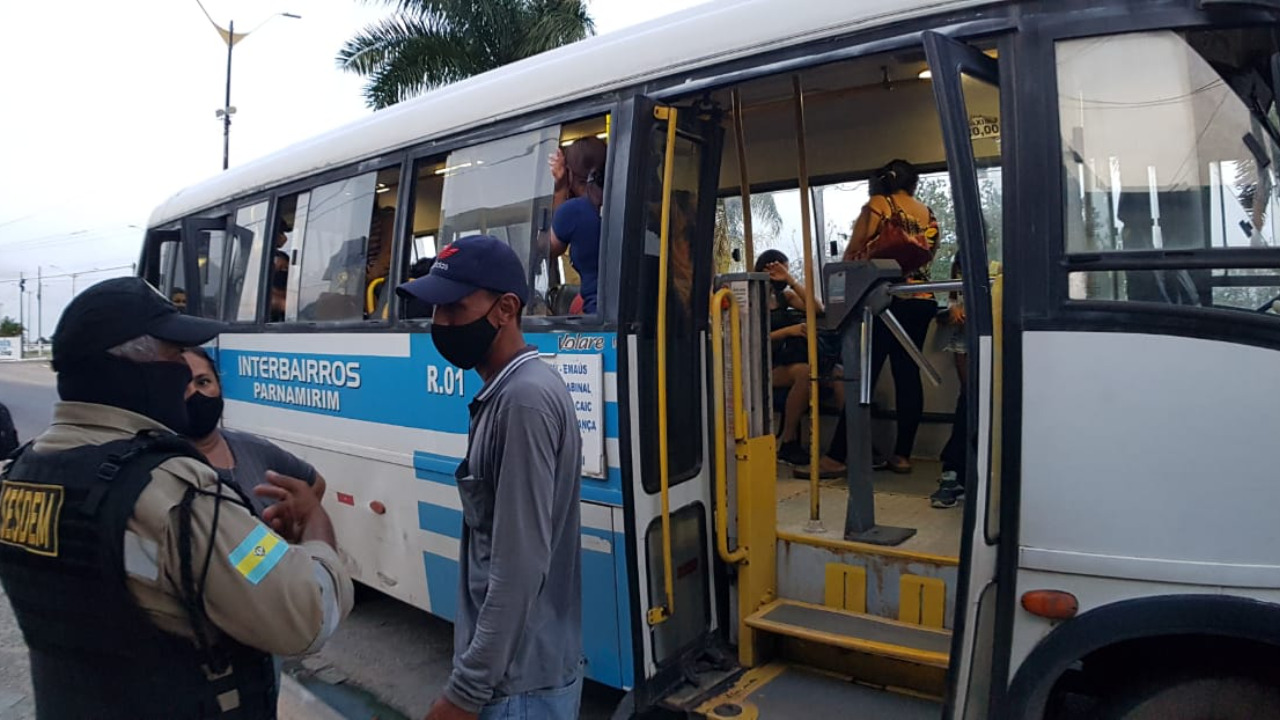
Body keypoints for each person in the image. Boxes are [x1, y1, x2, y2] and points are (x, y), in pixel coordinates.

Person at [0, 277, 353, 719]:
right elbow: (307, 613)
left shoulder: (20, 472)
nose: (187, 375)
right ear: (129, 367)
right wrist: (315, 524)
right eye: (173, 357)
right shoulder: (172, 493)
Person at [396, 235, 583, 720]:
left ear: (504, 309)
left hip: (515, 690)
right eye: (434, 312)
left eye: (453, 310)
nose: (440, 325)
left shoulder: (523, 402)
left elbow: (517, 568)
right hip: (516, 681)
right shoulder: (510, 393)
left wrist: (465, 692)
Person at [844, 159, 940, 474]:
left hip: (885, 299)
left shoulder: (878, 205)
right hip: (922, 299)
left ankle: (837, 454)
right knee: (907, 375)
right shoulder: (928, 214)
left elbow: (852, 254)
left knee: (864, 375)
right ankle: (902, 455)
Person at [181, 346, 326, 516]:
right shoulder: (162, 468)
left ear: (219, 385)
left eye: (203, 382)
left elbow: (315, 482)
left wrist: (296, 526)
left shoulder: (253, 448)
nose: (194, 394)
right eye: (182, 386)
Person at [755, 249, 845, 476]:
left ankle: (850, 439)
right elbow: (751, 339)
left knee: (840, 375)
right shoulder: (750, 299)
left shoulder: (785, 298)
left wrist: (791, 281)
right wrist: (788, 331)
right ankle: (788, 440)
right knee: (805, 372)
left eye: (783, 270)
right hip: (764, 365)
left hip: (792, 359)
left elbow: (817, 309)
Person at [548, 137, 606, 315]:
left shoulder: (574, 210)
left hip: (598, 315)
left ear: (570, 173)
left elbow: (547, 250)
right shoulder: (626, 200)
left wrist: (560, 189)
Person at [932, 258, 968, 508]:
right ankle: (954, 472)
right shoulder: (958, 294)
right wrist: (951, 313)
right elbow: (943, 316)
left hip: (995, 341)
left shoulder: (998, 281)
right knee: (969, 398)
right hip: (966, 345)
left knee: (972, 402)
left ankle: (954, 470)